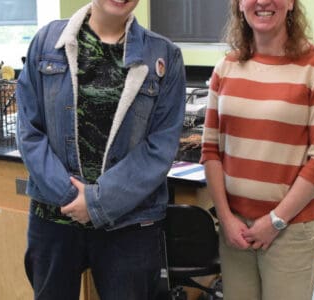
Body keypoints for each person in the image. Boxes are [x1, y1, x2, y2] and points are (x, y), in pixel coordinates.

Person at [15, 1, 186, 299]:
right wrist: (70, 197)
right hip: (55, 218)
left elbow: (160, 148)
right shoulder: (46, 43)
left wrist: (96, 202)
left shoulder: (164, 56)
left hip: (130, 223)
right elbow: (29, 131)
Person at [200, 0, 314, 299]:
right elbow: (211, 149)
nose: (263, 2)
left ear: (291, 3)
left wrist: (276, 220)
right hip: (235, 230)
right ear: (239, 5)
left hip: (291, 232)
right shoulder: (226, 67)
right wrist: (226, 218)